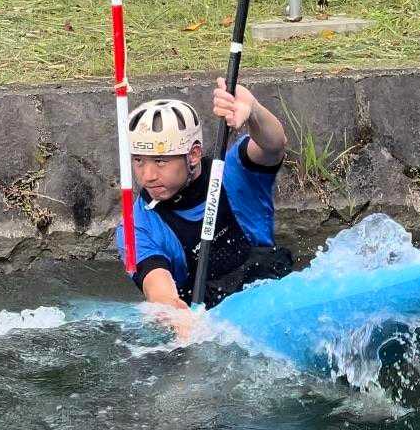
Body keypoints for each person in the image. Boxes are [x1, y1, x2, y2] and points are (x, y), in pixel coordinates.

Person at [116, 79, 293, 332]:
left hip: (273, 297)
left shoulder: (232, 174)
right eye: (139, 161)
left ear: (193, 154)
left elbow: (274, 146)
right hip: (210, 326)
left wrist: (253, 110)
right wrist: (176, 316)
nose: (147, 176)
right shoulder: (136, 228)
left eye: (160, 161)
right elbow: (160, 292)